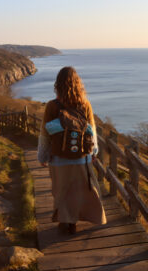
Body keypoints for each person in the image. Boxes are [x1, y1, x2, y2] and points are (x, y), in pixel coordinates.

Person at [37, 66, 107, 234]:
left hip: (58, 157)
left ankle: (66, 220)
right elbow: (92, 130)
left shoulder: (52, 106)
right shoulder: (85, 105)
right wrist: (94, 152)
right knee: (80, 191)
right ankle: (75, 220)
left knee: (61, 190)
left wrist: (42, 156)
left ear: (57, 85)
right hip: (81, 157)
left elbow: (45, 135)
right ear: (78, 84)